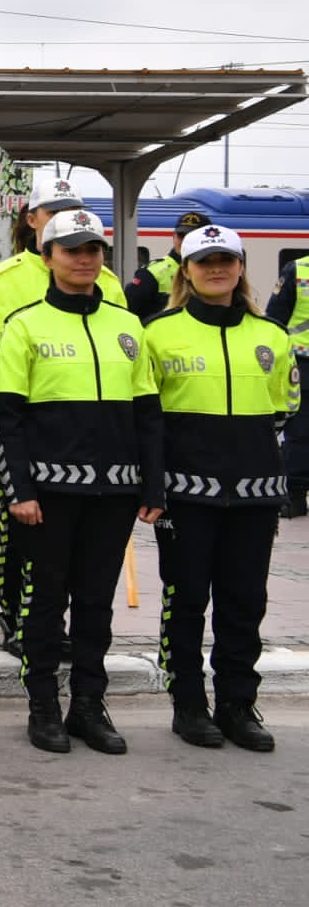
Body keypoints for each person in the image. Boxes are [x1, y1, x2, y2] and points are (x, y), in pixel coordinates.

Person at [0, 208, 154, 755]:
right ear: (48, 258)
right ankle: (42, 707)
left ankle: (87, 706)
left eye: (92, 249)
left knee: (95, 606)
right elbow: (6, 417)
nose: (84, 259)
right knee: (43, 606)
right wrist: (18, 490)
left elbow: (147, 414)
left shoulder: (127, 325)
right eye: (71, 250)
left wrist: (152, 486)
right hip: (48, 495)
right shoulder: (25, 324)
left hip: (114, 494)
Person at [140, 223, 297, 751]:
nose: (215, 269)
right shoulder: (157, 333)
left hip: (254, 495)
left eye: (225, 260)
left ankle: (237, 705)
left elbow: (283, 409)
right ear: (185, 270)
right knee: (185, 602)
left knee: (244, 604)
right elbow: (147, 417)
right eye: (204, 261)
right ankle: (188, 705)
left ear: (240, 267)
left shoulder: (271, 335)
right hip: (185, 496)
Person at [0, 171, 127, 658]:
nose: (64, 220)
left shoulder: (107, 282)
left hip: (89, 435)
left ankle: (63, 634)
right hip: (23, 422)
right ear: (32, 220)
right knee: (19, 533)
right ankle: (16, 615)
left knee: (81, 554)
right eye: (54, 212)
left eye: (73, 211)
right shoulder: (4, 280)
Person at [265, 251, 309, 518]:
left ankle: (295, 496)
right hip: (302, 363)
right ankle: (295, 494)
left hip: (302, 364)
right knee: (300, 435)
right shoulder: (298, 270)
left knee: (300, 435)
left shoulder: (299, 269)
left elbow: (275, 318)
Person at [125, 209, 211, 322]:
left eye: (192, 237)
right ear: (174, 237)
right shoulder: (151, 273)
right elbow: (131, 316)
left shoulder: (218, 272)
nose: (185, 241)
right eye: (181, 236)